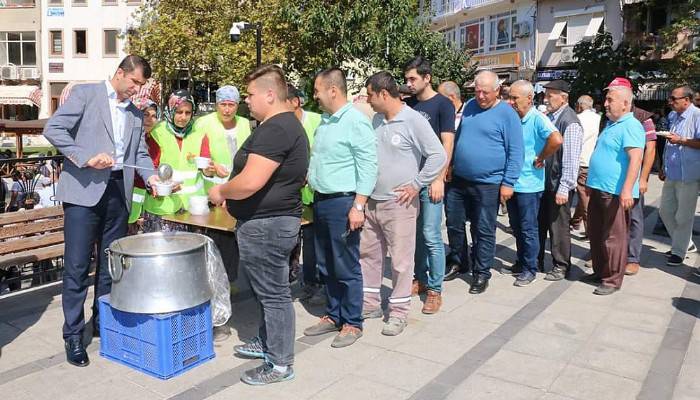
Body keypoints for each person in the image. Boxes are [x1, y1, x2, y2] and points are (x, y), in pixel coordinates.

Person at [43, 55, 158, 367]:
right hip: (82, 194)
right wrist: (86, 157)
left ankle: (101, 325)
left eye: (141, 85)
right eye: (134, 82)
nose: (136, 89)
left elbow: (141, 154)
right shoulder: (85, 94)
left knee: (110, 267)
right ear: (119, 73)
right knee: (78, 267)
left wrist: (152, 178)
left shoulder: (135, 113)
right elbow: (53, 129)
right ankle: (73, 334)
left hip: (118, 192)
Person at [208, 65, 308, 385]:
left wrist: (222, 191)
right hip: (271, 222)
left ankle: (279, 364)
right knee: (270, 292)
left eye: (250, 95)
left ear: (269, 94)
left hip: (267, 225)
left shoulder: (276, 129)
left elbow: (251, 181)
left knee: (274, 295)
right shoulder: (281, 125)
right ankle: (268, 343)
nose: (246, 101)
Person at [361, 71, 446, 336]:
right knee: (369, 257)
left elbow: (438, 155)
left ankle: (398, 312)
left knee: (400, 261)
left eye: (371, 95)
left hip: (399, 204)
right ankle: (370, 303)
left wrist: (417, 184)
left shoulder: (413, 120)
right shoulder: (376, 119)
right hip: (373, 202)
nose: (369, 101)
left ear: (384, 94)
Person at [302, 68, 377, 348]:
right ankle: (333, 314)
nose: (315, 95)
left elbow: (368, 166)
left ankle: (352, 322)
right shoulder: (325, 121)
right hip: (321, 200)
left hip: (344, 202)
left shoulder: (355, 121)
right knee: (326, 262)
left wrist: (359, 205)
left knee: (345, 263)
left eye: (318, 90)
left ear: (333, 90)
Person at [448, 70, 523, 294]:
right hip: (459, 179)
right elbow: (458, 137)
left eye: (485, 92)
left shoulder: (507, 114)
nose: (480, 96)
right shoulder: (470, 105)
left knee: (483, 229)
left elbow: (516, 151)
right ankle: (459, 261)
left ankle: (481, 272)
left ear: (497, 90)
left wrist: (508, 182)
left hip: (488, 183)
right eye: (477, 91)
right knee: (454, 223)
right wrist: (450, 164)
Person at [583, 77, 644, 295]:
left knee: (614, 237)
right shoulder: (611, 124)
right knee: (597, 233)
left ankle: (612, 280)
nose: (606, 103)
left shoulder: (631, 125)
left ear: (625, 104)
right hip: (599, 187)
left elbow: (636, 159)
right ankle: (600, 271)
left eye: (610, 99)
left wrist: (627, 189)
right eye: (606, 99)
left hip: (616, 192)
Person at [404, 57, 455, 313]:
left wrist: (438, 178)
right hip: (412, 180)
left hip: (431, 180)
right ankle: (420, 279)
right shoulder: (409, 105)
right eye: (406, 79)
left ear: (427, 78)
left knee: (432, 234)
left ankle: (435, 289)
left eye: (413, 79)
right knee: (416, 235)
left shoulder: (443, 105)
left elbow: (447, 143)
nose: (408, 84)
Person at [141, 90, 228, 232]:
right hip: (163, 209)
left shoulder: (199, 133)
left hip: (192, 209)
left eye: (188, 113)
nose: (183, 117)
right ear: (170, 110)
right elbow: (148, 169)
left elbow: (205, 166)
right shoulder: (157, 133)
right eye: (179, 112)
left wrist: (209, 171)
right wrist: (163, 185)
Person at [506, 80, 562, 286]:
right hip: (512, 182)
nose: (510, 101)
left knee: (529, 228)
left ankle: (531, 268)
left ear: (529, 99)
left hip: (529, 184)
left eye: (515, 98)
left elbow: (556, 139)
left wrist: (541, 158)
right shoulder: (513, 118)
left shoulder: (538, 118)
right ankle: (521, 262)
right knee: (516, 226)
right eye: (509, 97)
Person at [536, 80, 582, 281]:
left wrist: (565, 187)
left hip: (559, 185)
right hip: (545, 182)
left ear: (564, 97)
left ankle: (561, 265)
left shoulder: (569, 121)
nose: (546, 98)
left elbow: (571, 159)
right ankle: (535, 260)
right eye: (546, 94)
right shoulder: (551, 117)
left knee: (559, 227)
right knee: (540, 223)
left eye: (551, 94)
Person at [285, 84, 322, 292]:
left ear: (295, 102)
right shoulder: (281, 124)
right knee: (291, 238)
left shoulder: (317, 121)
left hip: (314, 192)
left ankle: (312, 281)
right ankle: (291, 278)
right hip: (291, 192)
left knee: (312, 239)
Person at [659, 85, 700, 266]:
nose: (671, 101)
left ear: (687, 99)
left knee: (683, 216)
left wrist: (681, 140)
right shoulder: (673, 116)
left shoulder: (697, 116)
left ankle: (678, 251)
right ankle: (685, 243)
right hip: (671, 172)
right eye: (670, 98)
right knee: (665, 211)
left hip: (689, 174)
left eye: (674, 99)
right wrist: (662, 165)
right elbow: (669, 143)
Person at [438, 80, 471, 282]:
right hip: (450, 177)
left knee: (478, 223)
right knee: (454, 220)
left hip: (469, 176)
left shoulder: (470, 113)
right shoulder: (446, 114)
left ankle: (476, 260)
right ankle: (458, 258)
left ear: (451, 98)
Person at [194, 85, 251, 181]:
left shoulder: (244, 123)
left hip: (239, 183)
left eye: (231, 105)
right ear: (216, 105)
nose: (227, 110)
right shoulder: (203, 123)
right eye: (223, 104)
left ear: (237, 106)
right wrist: (212, 165)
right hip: (212, 185)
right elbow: (193, 152)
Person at [625, 104, 657, 275]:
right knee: (612, 218)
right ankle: (612, 253)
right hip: (614, 178)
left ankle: (632, 258)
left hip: (634, 177)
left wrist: (643, 178)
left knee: (635, 217)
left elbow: (650, 150)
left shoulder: (644, 118)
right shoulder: (612, 118)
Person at [570, 95, 600, 238]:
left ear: (580, 106)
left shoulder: (578, 119)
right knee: (585, 194)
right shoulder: (599, 119)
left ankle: (591, 230)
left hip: (581, 162)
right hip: (593, 161)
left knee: (584, 196)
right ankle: (575, 221)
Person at [128, 100, 159, 231]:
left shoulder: (156, 141)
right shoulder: (128, 138)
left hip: (147, 208)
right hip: (126, 205)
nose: (149, 120)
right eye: (145, 114)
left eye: (154, 116)